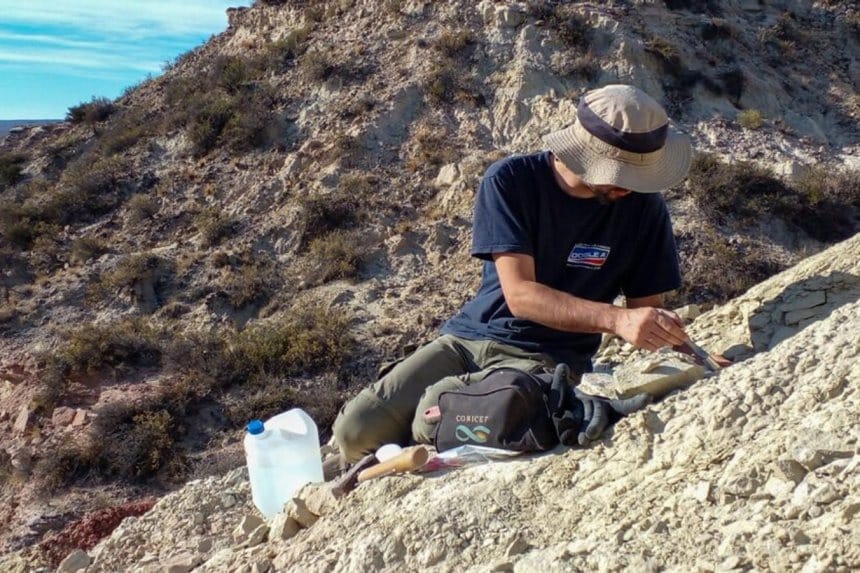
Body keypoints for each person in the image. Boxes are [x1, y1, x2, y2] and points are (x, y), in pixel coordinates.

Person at [333, 84, 693, 464]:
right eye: (621, 175)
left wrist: (684, 353)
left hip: (545, 359)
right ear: (586, 154)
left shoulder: (644, 210)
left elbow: (645, 312)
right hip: (466, 341)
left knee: (430, 418)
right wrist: (616, 319)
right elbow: (520, 296)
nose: (628, 187)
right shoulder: (511, 181)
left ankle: (492, 417)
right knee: (355, 431)